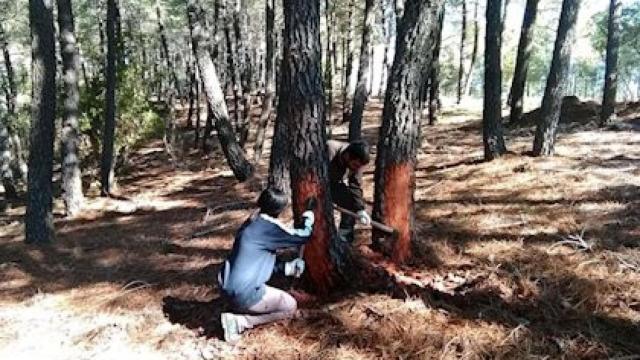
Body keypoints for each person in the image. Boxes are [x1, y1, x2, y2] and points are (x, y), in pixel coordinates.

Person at [218, 188, 315, 343]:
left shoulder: (251, 222)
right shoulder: (268, 228)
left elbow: (258, 261)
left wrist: (287, 268)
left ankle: (238, 309)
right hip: (244, 293)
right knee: (290, 306)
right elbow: (303, 236)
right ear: (280, 210)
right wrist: (309, 217)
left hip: (227, 289)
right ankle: (240, 322)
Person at [327, 139, 371, 243]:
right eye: (355, 165)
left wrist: (360, 209)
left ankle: (344, 238)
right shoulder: (329, 150)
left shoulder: (357, 162)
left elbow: (355, 185)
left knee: (351, 202)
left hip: (334, 184)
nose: (356, 168)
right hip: (316, 185)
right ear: (347, 156)